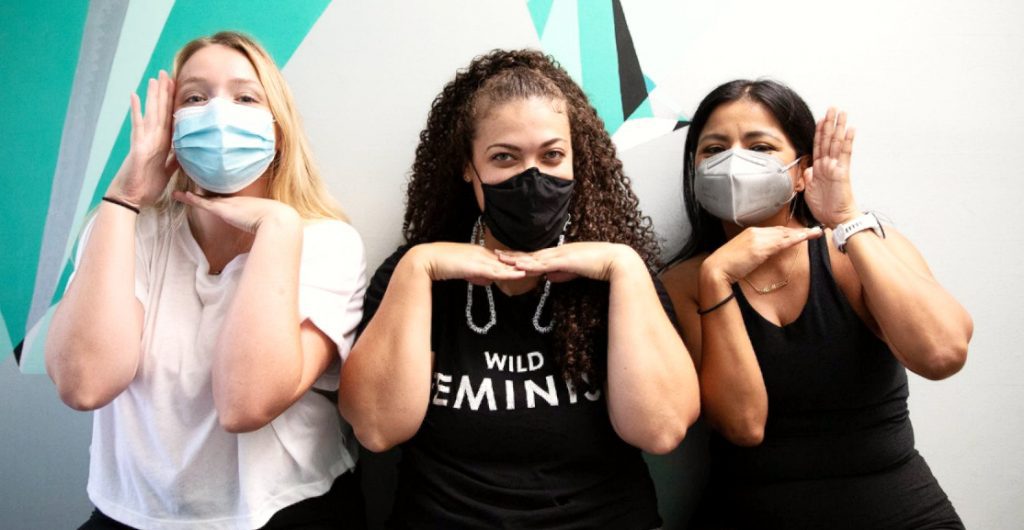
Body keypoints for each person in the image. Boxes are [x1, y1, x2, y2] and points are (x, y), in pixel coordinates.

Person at [338, 49, 700, 528]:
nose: (532, 176)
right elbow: (377, 430)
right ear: (468, 167)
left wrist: (626, 267)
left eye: (552, 155)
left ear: (576, 161)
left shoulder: (618, 279)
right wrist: (417, 267)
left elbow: (661, 430)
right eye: (504, 157)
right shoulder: (416, 276)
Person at [45, 32, 367, 529]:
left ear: (278, 130)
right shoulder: (125, 229)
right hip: (129, 515)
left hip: (286, 511)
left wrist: (278, 229)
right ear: (172, 127)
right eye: (195, 97)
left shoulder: (327, 243)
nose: (219, 113)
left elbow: (246, 404)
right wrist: (123, 199)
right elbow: (85, 384)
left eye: (244, 97)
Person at [660, 79, 973, 529]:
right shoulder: (685, 283)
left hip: (896, 509)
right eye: (714, 149)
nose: (733, 162)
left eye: (760, 146)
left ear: (802, 168)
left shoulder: (858, 248)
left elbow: (942, 354)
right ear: (694, 169)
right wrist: (717, 278)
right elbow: (743, 426)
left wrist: (847, 220)